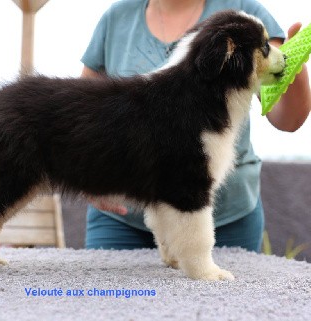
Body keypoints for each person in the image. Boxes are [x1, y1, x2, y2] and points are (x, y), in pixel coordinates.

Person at [81, 0, 311, 252]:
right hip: (123, 217)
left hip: (225, 217)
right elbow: (85, 114)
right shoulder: (116, 17)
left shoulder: (244, 11)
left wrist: (292, 68)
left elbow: (288, 119)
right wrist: (85, 173)